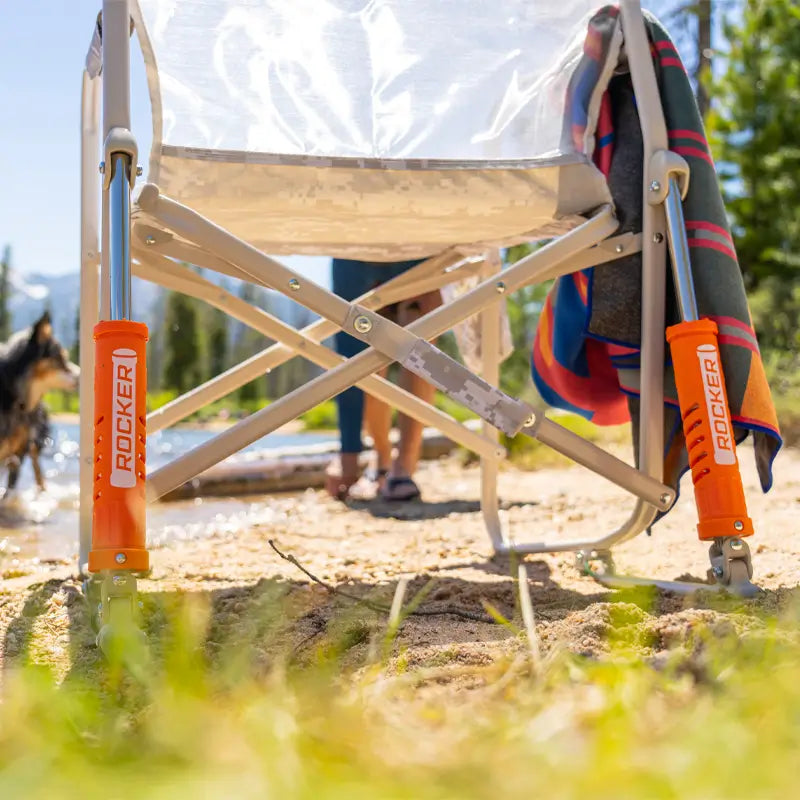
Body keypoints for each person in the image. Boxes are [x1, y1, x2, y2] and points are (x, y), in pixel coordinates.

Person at [325, 257, 441, 502]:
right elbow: (349, 348)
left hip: (422, 238)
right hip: (356, 239)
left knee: (419, 330)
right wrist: (348, 450)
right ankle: (379, 457)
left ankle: (405, 463)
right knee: (363, 332)